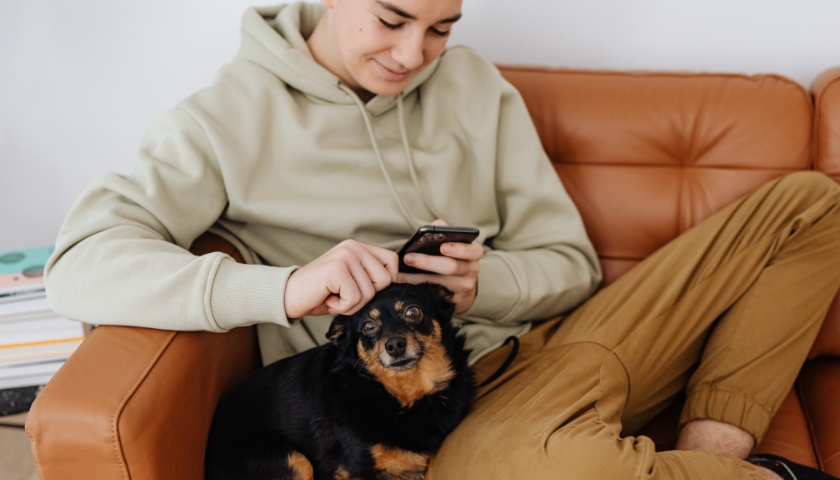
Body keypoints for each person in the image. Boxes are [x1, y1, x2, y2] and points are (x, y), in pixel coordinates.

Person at [43, 1, 840, 479]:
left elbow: (569, 265)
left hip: (566, 342)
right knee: (540, 469)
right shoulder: (219, 121)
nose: (411, 56)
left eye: (440, 28)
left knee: (810, 204)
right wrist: (280, 288)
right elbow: (77, 264)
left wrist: (483, 285)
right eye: (391, 19)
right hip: (448, 412)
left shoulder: (473, 87)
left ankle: (723, 459)